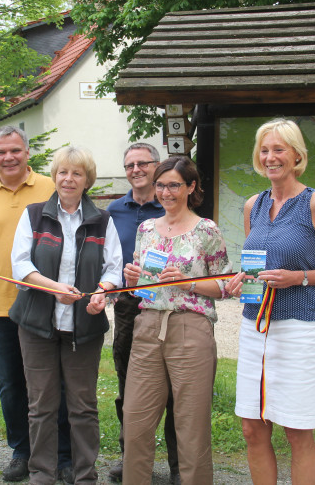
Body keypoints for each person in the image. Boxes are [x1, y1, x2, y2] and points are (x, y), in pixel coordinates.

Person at [224, 118, 315, 484]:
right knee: (252, 427)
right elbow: (256, 260)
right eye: (264, 150)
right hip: (254, 326)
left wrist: (300, 277)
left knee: (296, 431)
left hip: (298, 327)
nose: (270, 157)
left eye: (278, 149)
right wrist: (243, 277)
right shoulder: (254, 204)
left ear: (297, 155)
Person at [96, 156, 230, 484]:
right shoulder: (145, 229)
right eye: (161, 185)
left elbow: (226, 285)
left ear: (191, 187)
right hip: (148, 324)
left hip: (190, 327)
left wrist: (186, 280)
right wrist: (132, 277)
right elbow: (144, 287)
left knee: (191, 424)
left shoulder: (206, 230)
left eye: (174, 185)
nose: (166, 192)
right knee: (136, 419)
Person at [0, 125, 73, 483]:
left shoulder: (52, 188)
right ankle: (22, 451)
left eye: (15, 150)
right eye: (0, 152)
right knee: (11, 385)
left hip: (47, 306)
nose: (8, 157)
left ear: (27, 153)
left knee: (57, 384)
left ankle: (64, 456)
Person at [10, 146, 123, 484]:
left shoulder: (102, 220)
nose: (68, 179)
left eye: (76, 173)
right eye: (62, 172)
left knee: (83, 407)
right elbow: (20, 266)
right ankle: (41, 473)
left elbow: (114, 268)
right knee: (41, 405)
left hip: (84, 328)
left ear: (87, 180)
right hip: (36, 326)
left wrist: (102, 293)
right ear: (54, 176)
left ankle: (85, 474)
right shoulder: (34, 215)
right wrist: (53, 287)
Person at [105, 143, 179, 484]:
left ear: (157, 166)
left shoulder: (172, 205)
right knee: (129, 384)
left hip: (173, 303)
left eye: (143, 163)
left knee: (177, 387)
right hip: (128, 305)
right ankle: (131, 457)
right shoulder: (112, 211)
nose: (135, 169)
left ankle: (180, 464)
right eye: (129, 164)